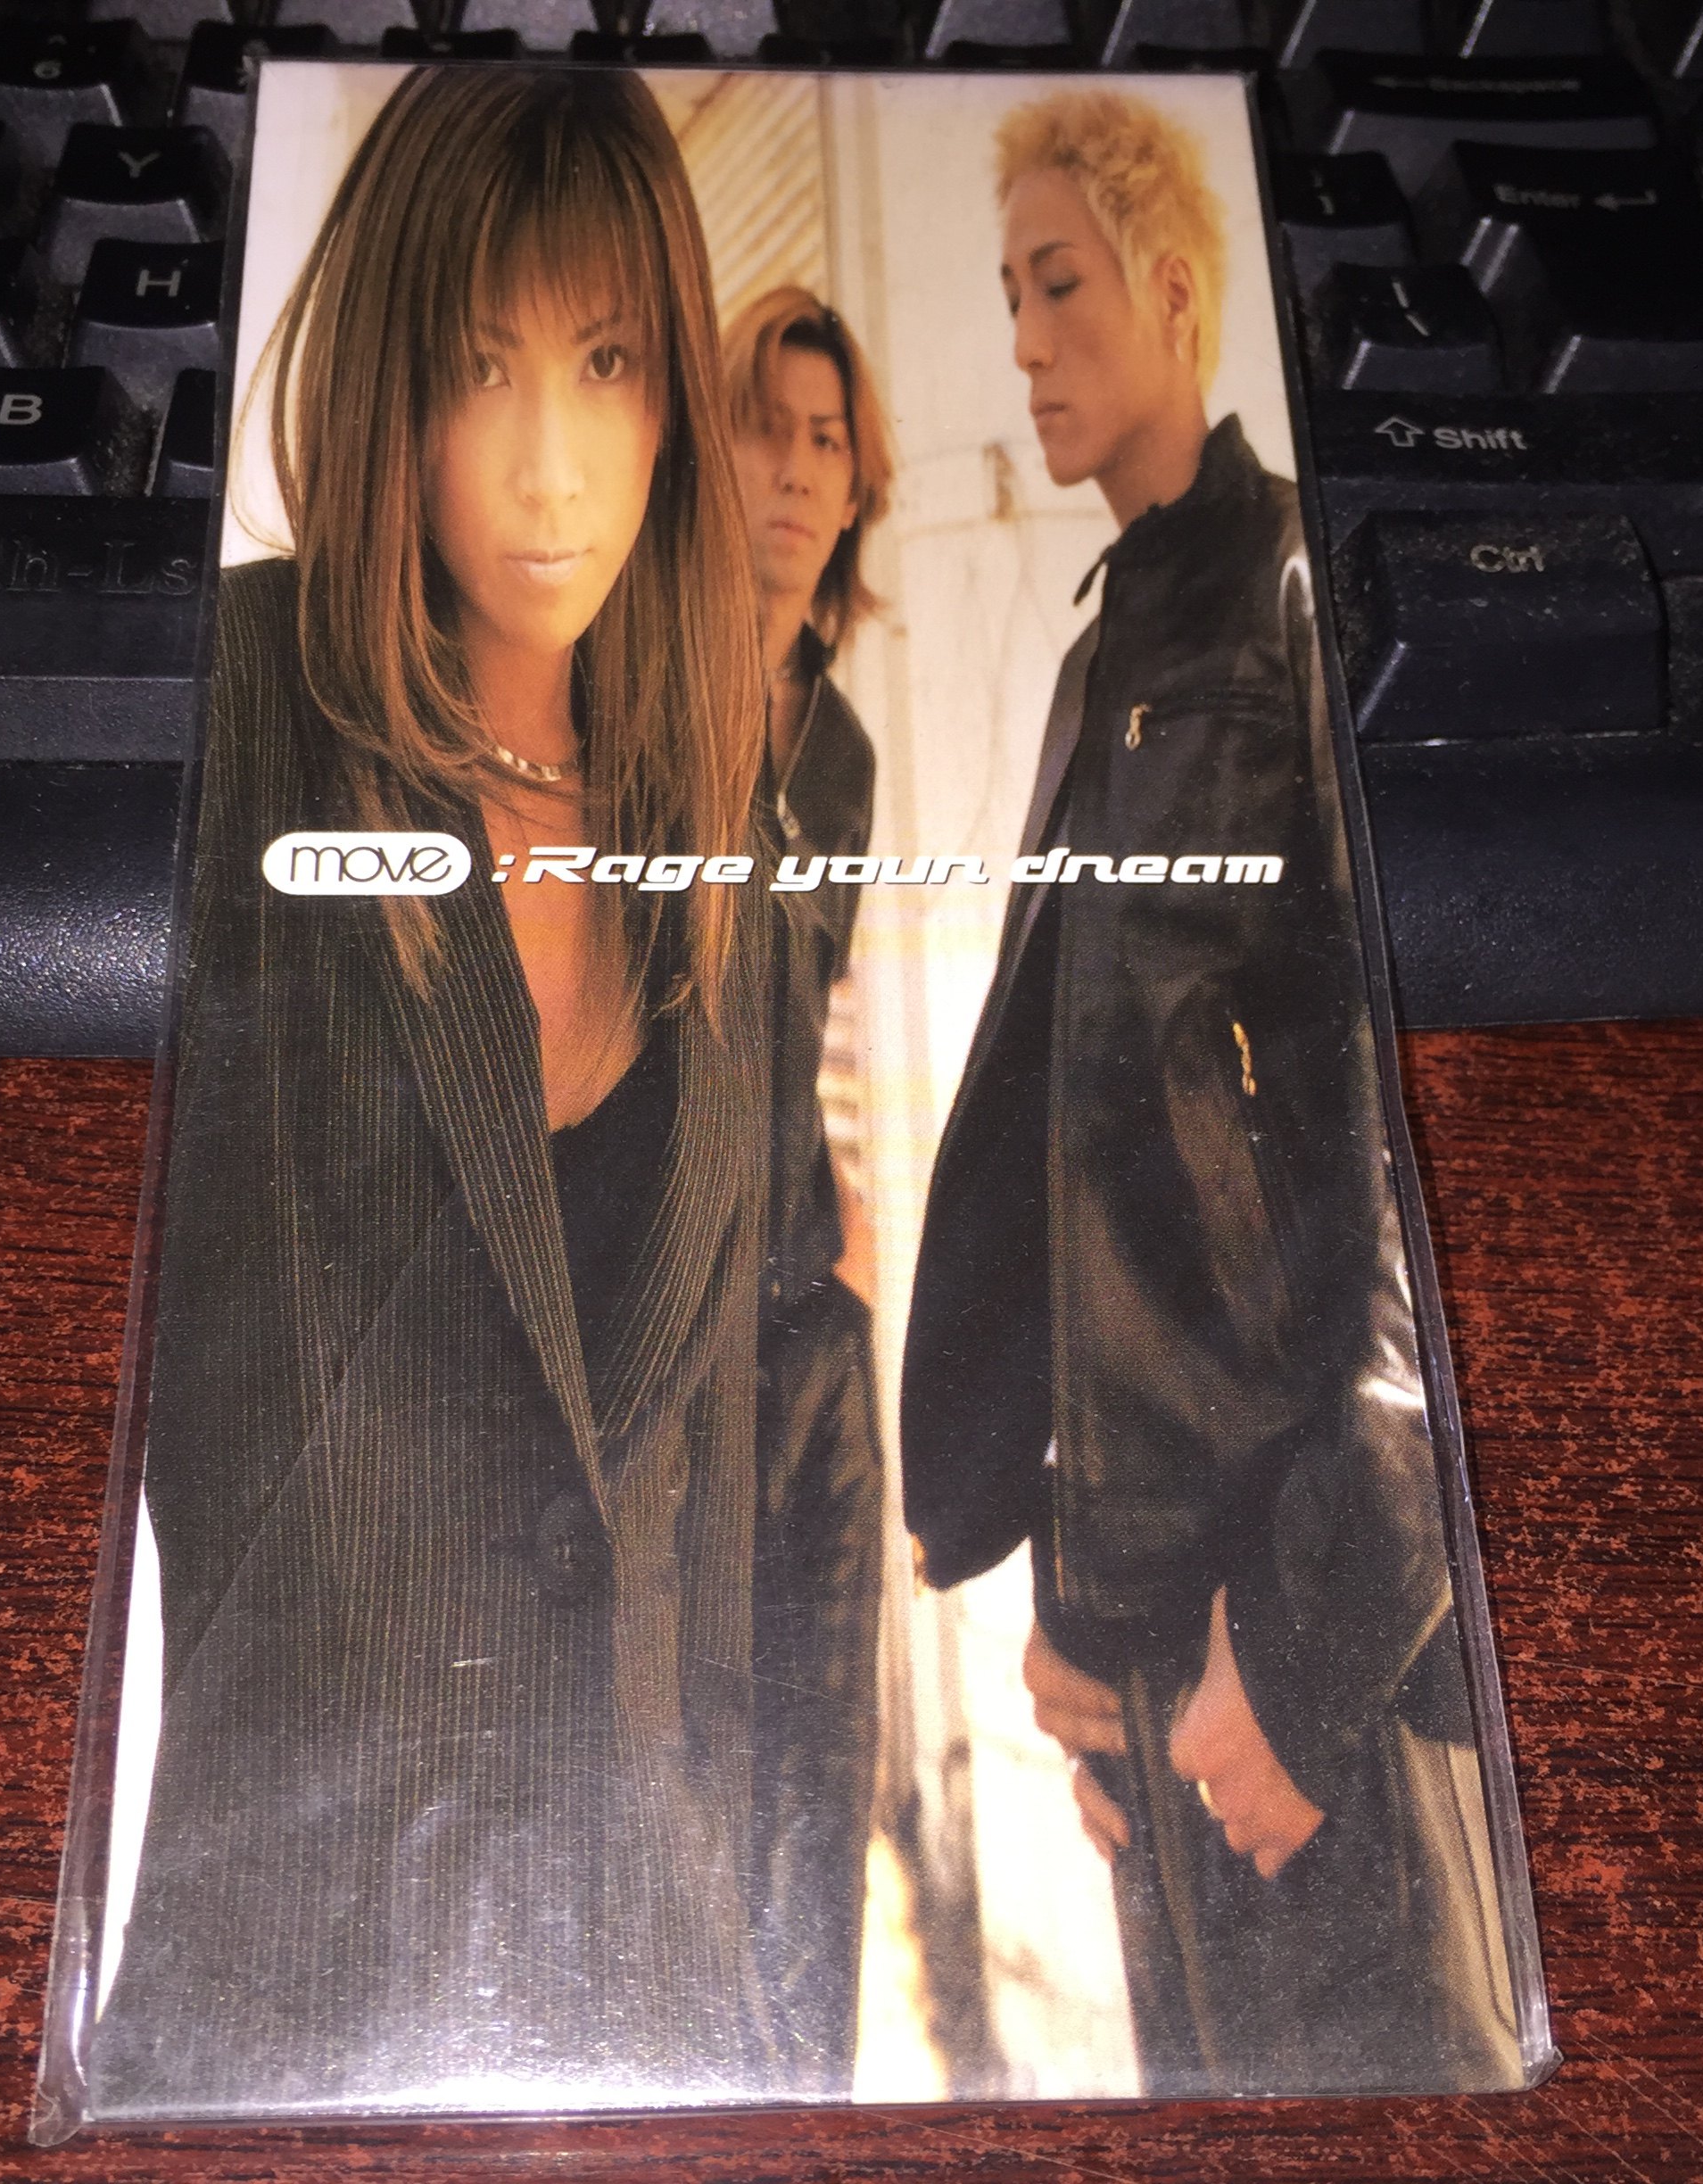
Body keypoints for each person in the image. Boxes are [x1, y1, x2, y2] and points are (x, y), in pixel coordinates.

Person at [86, 66, 775, 2115]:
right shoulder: (238, 716)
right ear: (393, 384)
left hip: (654, 1993)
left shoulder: (711, 832)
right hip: (293, 1985)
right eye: (483, 370)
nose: (552, 469)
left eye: (606, 365)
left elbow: (700, 1486)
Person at [897, 88, 1524, 2094]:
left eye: (1060, 283)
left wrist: (1312, 1640)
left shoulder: (1298, 602)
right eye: (1008, 294)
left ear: (1174, 289)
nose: (1024, 338)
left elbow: (1424, 1173)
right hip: (1162, 1650)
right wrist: (1077, 1604)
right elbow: (1097, 1153)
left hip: (1311, 1640)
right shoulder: (1111, 654)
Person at [720, 285, 894, 2091]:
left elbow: (802, 1019)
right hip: (665, 1332)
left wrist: (840, 1226)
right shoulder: (624, 693)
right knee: (693, 1799)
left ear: (857, 488)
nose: (792, 465)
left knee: (816, 1798)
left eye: (824, 438)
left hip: (810, 1334)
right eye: (761, 426)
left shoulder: (841, 761)